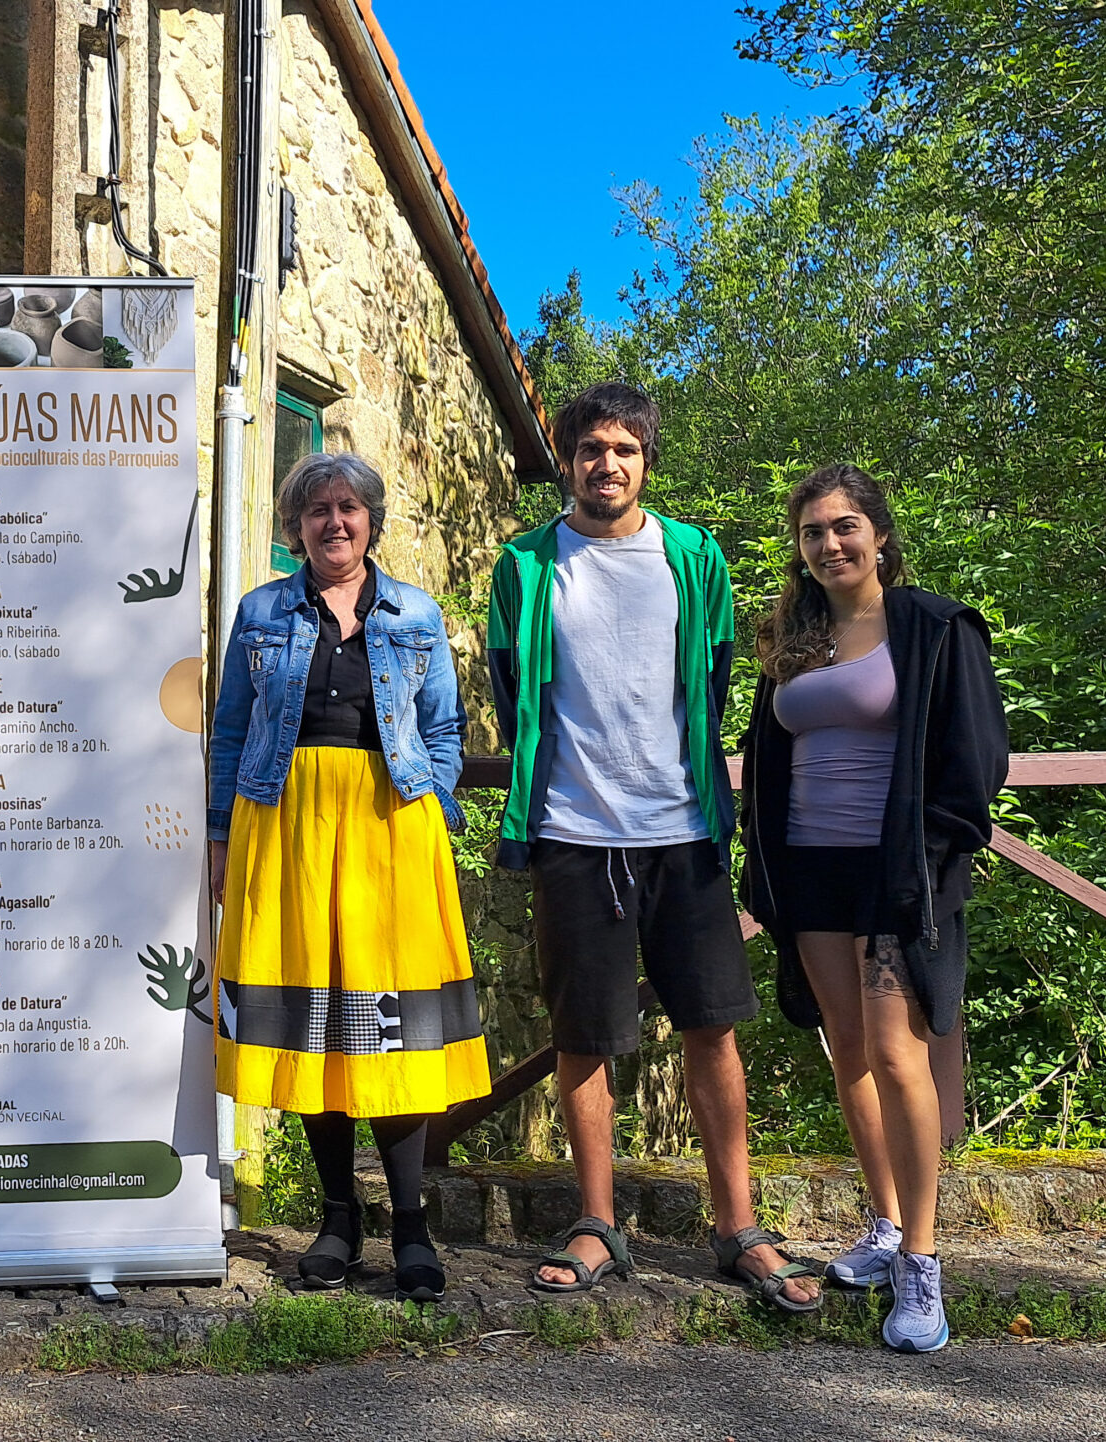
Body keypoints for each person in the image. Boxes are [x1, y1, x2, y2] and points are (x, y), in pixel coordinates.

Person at [484, 382, 822, 1311]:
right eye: (591, 448)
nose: (607, 465)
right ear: (567, 460)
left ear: (646, 461)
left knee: (712, 1027)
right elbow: (515, 688)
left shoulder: (693, 555)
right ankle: (598, 1224)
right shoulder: (524, 566)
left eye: (625, 449)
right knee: (583, 1035)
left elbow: (712, 677)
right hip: (571, 832)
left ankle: (738, 1225)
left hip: (683, 831)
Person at [209, 452, 489, 1303]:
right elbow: (229, 730)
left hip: (389, 827)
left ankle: (411, 1225)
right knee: (313, 1023)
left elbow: (444, 728)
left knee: (394, 1024)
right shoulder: (262, 610)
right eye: (318, 510)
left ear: (372, 521)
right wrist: (221, 833)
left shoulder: (415, 611)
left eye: (349, 509)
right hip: (285, 824)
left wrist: (431, 815)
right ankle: (338, 1219)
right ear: (296, 526)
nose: (335, 522)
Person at [741, 464, 1008, 1352]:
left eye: (845, 526)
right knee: (846, 1045)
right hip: (810, 868)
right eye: (813, 532)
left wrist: (933, 858)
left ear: (881, 535)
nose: (830, 545)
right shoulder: (796, 635)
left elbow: (976, 762)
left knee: (901, 1056)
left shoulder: (933, 627)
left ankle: (923, 1265)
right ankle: (886, 1224)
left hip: (898, 870)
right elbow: (768, 748)